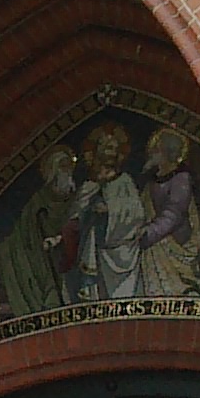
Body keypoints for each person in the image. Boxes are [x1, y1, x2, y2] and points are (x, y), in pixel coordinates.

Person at [0, 144, 81, 317]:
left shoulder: (78, 198)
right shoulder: (39, 200)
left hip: (71, 255)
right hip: (45, 260)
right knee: (50, 291)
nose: (67, 172)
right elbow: (23, 234)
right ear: (52, 171)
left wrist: (60, 237)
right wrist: (2, 248)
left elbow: (82, 224)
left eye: (68, 167)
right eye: (62, 167)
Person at [73, 122, 150, 300]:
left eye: (115, 148)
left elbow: (137, 214)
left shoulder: (124, 182)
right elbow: (74, 217)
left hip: (120, 249)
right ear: (96, 151)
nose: (111, 152)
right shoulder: (88, 186)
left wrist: (110, 211)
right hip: (93, 248)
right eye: (107, 147)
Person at [137, 127, 200, 297]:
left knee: (159, 246)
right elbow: (141, 207)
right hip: (155, 232)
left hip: (174, 236)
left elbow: (175, 211)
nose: (153, 153)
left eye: (157, 149)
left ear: (168, 151)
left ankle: (182, 288)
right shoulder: (152, 179)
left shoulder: (181, 178)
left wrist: (150, 232)